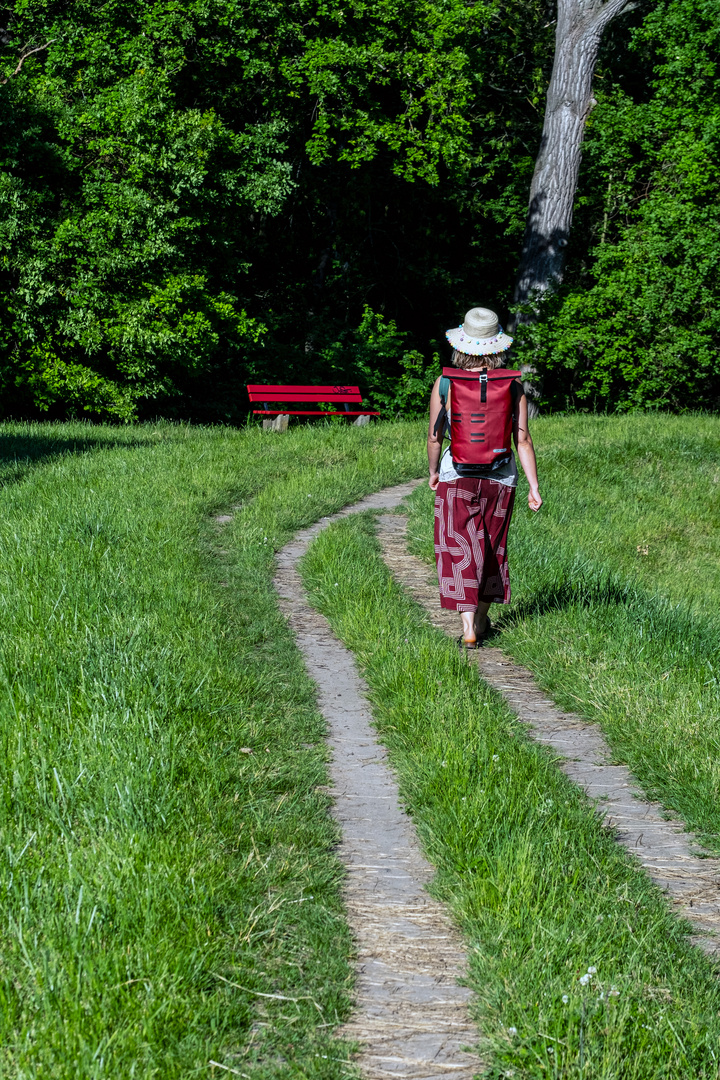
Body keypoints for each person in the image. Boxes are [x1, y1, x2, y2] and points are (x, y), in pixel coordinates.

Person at [427, 307, 542, 649]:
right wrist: (534, 486)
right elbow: (522, 439)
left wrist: (434, 472)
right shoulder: (512, 384)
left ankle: (467, 627)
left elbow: (435, 437)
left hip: (456, 477)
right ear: (497, 347)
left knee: (457, 547)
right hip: (500, 479)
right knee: (492, 549)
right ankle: (481, 618)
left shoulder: (445, 381)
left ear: (462, 344)